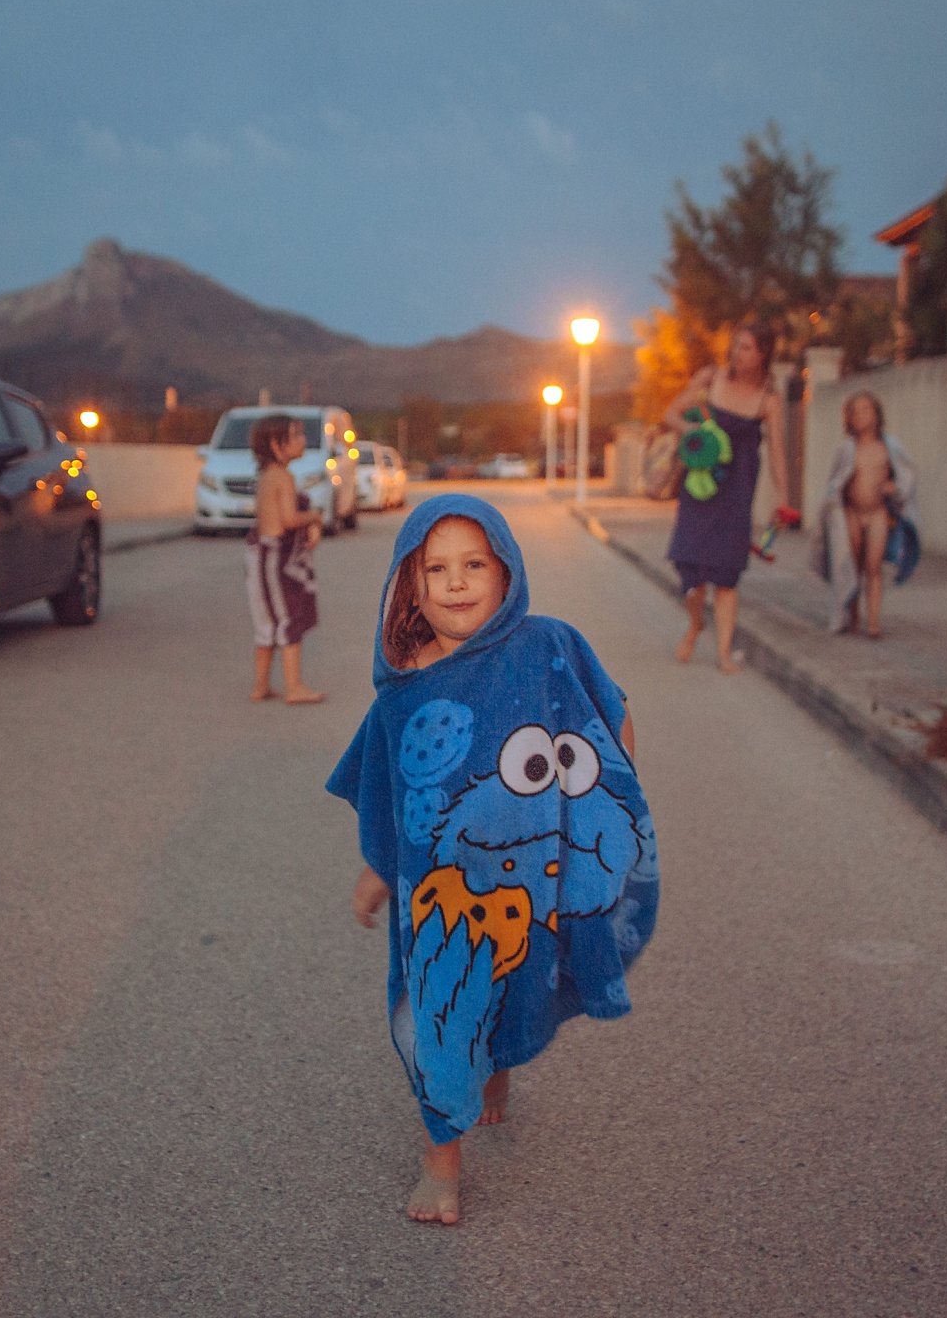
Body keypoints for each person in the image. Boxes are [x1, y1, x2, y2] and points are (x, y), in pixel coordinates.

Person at [328, 495, 659, 1225]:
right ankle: (440, 1165)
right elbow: (390, 786)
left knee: (514, 990)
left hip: (530, 885)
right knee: (443, 1022)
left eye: (474, 563)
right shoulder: (407, 685)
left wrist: (601, 792)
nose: (455, 581)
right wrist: (381, 868)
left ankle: (500, 1072)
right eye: (436, 568)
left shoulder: (548, 649)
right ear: (409, 587)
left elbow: (612, 715)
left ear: (506, 571)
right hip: (441, 898)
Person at [662, 319, 794, 673]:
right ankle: (695, 624)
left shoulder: (770, 399)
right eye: (736, 345)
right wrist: (693, 428)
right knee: (690, 567)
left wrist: (784, 499)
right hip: (700, 487)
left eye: (746, 347)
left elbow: (779, 453)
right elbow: (671, 413)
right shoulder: (710, 378)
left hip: (737, 492)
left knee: (726, 573)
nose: (737, 353)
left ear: (763, 354)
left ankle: (723, 652)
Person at [811, 391, 918, 637]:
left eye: (866, 410)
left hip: (877, 513)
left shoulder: (889, 447)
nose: (860, 415)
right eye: (855, 411)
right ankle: (854, 615)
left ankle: (873, 622)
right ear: (848, 418)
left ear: (877, 414)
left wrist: (895, 487)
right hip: (851, 513)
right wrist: (833, 501)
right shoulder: (846, 449)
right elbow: (834, 481)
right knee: (853, 565)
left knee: (873, 567)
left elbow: (906, 474)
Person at [247, 413, 325, 703]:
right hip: (275, 557)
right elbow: (289, 519)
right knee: (288, 616)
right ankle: (294, 687)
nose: (303, 440)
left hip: (264, 554)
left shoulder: (269, 476)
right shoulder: (282, 476)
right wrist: (314, 516)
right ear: (277, 445)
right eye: (297, 435)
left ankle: (261, 685)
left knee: (267, 620)